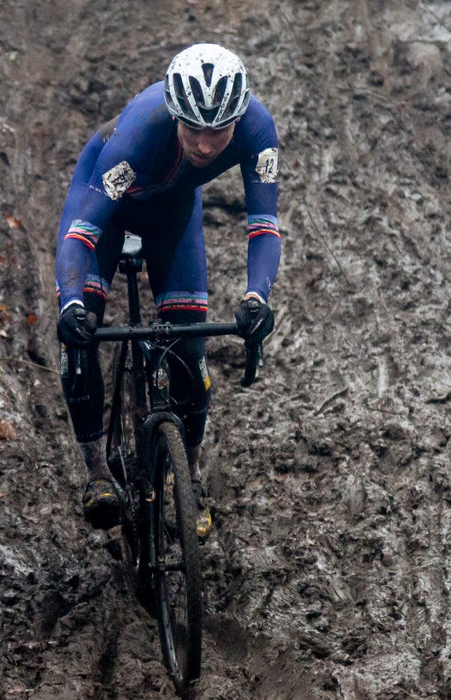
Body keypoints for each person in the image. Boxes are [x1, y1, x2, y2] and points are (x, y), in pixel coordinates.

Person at [54, 43, 281, 531]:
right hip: (106, 210)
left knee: (190, 349)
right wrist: (73, 301)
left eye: (218, 131)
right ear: (174, 115)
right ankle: (96, 474)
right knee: (79, 338)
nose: (204, 145)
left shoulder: (259, 131)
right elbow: (82, 233)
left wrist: (257, 296)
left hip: (173, 214)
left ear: (237, 120)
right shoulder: (139, 132)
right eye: (192, 128)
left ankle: (190, 476)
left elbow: (264, 226)